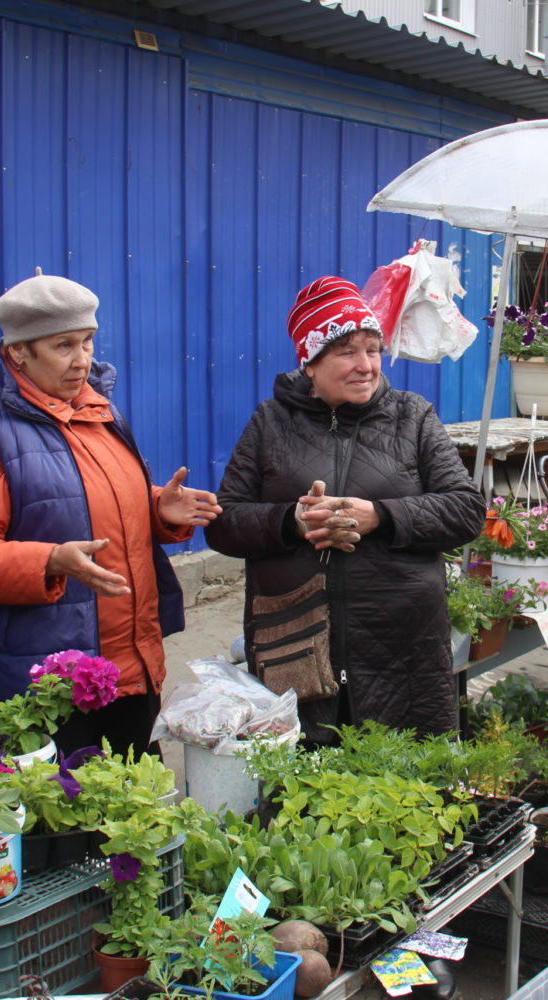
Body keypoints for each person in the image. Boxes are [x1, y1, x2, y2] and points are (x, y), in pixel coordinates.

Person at [0, 271, 221, 757]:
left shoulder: (96, 407)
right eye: (64, 345)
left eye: (88, 341)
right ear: (19, 351)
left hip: (130, 664)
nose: (83, 360)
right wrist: (49, 561)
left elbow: (82, 500)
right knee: (62, 819)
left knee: (136, 814)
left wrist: (156, 508)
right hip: (51, 679)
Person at [205, 276, 483, 742]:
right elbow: (224, 524)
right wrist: (291, 521)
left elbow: (466, 510)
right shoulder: (270, 423)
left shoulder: (413, 417)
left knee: (407, 786)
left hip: (402, 646)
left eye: (373, 349)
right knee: (306, 795)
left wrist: (381, 515)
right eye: (347, 352)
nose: (365, 366)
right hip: (298, 642)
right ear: (309, 363)